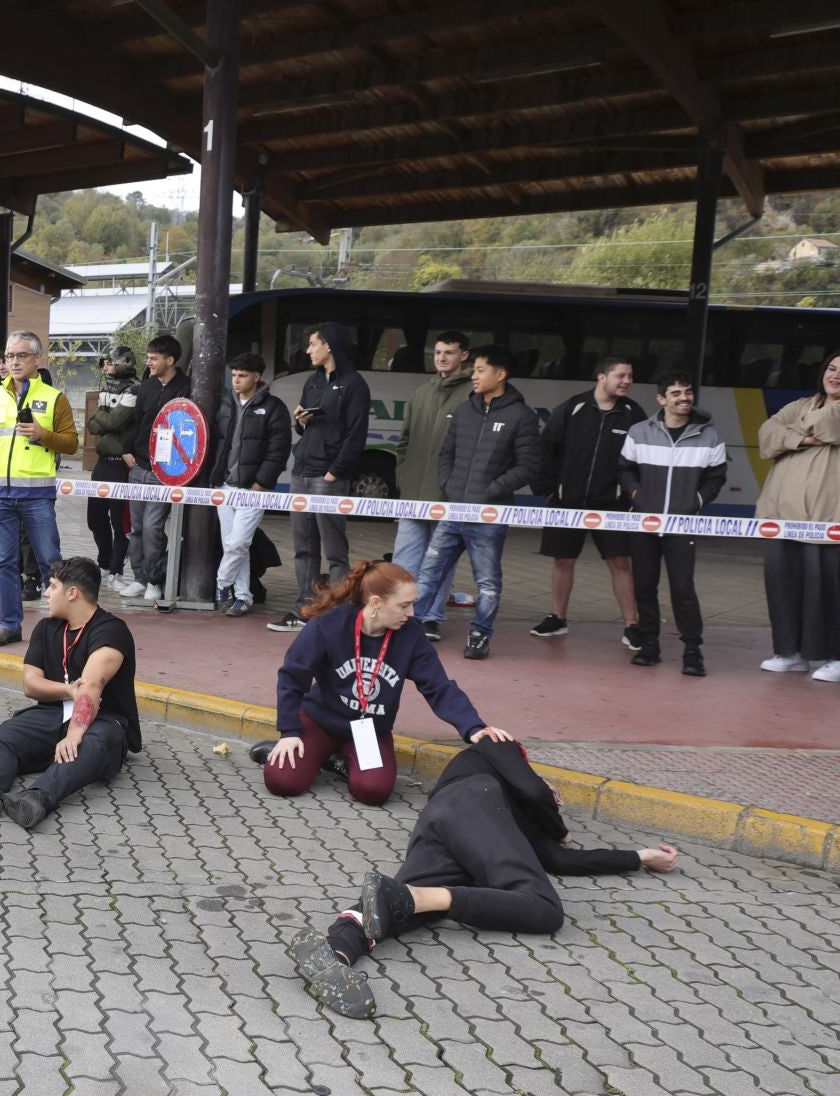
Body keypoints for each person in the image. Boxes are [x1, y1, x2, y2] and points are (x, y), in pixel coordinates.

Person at [289, 737, 681, 1020]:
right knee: (544, 909)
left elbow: (560, 861)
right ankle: (418, 898)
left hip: (443, 826)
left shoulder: (512, 818)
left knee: (392, 904)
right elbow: (531, 788)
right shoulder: (498, 746)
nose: (553, 796)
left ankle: (337, 948)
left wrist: (639, 857)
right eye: (553, 792)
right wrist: (555, 822)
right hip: (471, 804)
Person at [255, 559, 512, 806]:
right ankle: (301, 752)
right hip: (319, 721)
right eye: (404, 605)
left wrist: (473, 727)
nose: (411, 613)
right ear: (376, 603)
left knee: (373, 791)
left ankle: (338, 761)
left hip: (368, 729)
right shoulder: (329, 626)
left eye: (412, 604)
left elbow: (438, 686)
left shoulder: (410, 635)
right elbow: (292, 677)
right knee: (282, 781)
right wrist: (289, 732)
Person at [0, 556, 140, 829]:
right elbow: (31, 684)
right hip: (53, 712)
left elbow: (92, 687)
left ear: (72, 593)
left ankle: (36, 799)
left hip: (104, 720)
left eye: (52, 586)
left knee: (91, 745)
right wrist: (66, 690)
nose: (46, 593)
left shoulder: (111, 630)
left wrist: (73, 734)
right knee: (1, 738)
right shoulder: (47, 628)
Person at [412, 345, 541, 660]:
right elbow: (446, 454)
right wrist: (449, 484)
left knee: (488, 582)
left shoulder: (521, 416)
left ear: (501, 374)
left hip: (488, 515)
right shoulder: (465, 410)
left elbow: (528, 466)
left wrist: (491, 491)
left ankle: (480, 636)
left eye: (481, 369)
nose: (474, 375)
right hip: (454, 509)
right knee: (428, 574)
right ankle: (409, 632)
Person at [0, 331, 77, 645]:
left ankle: (62, 626)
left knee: (51, 562)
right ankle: (10, 625)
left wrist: (43, 434)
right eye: (10, 356)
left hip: (37, 494)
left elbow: (71, 443)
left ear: (38, 359)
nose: (14, 362)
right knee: (3, 564)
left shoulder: (55, 398)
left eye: (21, 356)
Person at [529, 356, 647, 646]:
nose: (627, 381)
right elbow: (545, 448)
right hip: (566, 502)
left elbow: (643, 460)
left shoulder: (634, 414)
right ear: (601, 377)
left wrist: (631, 495)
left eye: (630, 376)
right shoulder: (573, 407)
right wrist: (548, 489)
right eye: (621, 375)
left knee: (620, 562)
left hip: (613, 505)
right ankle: (557, 619)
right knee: (563, 560)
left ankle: (632, 625)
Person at [620, 371, 726, 677]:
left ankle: (693, 651)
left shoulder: (709, 434)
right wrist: (637, 494)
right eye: (677, 393)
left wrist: (695, 501)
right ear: (662, 399)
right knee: (644, 586)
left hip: (682, 525)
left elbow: (717, 476)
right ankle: (649, 646)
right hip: (644, 523)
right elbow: (625, 469)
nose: (684, 398)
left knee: (683, 589)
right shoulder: (640, 431)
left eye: (688, 392)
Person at [269, 323, 371, 633]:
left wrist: (333, 473)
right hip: (302, 470)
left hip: (328, 476)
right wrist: (301, 422)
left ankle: (337, 609)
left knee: (334, 549)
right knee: (303, 546)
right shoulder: (313, 382)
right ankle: (305, 606)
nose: (308, 350)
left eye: (314, 344)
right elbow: (305, 428)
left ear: (330, 346)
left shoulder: (354, 384)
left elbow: (356, 436)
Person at [756, 350, 840, 683]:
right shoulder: (801, 403)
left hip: (828, 519)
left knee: (830, 589)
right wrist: (804, 439)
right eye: (832, 368)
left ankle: (835, 655)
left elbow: (828, 422)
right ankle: (789, 653)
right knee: (783, 585)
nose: (835, 375)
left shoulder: (805, 410)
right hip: (783, 516)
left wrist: (791, 436)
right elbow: (766, 434)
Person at [208, 353, 290, 617]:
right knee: (234, 544)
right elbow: (218, 441)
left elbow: (278, 449)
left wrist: (262, 483)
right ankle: (242, 598)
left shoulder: (274, 407)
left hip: (253, 488)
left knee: (237, 543)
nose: (236, 380)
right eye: (233, 375)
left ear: (257, 377)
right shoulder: (225, 404)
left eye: (242, 375)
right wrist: (215, 477)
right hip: (225, 485)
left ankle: (221, 584)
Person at [391, 331, 473, 574]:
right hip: (412, 494)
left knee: (438, 564)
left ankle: (432, 613)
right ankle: (402, 611)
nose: (442, 358)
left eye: (449, 353)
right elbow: (404, 441)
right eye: (438, 352)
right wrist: (404, 479)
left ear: (464, 355)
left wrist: (455, 485)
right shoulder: (421, 393)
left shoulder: (472, 395)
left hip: (446, 495)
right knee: (403, 560)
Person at [118, 335, 191, 604]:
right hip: (138, 465)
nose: (148, 362)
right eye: (148, 357)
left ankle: (154, 580)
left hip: (167, 472)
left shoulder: (188, 388)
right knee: (136, 526)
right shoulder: (146, 388)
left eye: (154, 358)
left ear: (170, 360)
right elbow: (135, 422)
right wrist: (126, 450)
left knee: (152, 526)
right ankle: (139, 578)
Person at [84, 346, 141, 588]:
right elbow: (93, 426)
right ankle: (105, 562)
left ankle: (116, 571)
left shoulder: (134, 389)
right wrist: (105, 419)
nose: (105, 368)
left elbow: (112, 420)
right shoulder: (108, 388)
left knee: (120, 522)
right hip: (103, 462)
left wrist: (104, 417)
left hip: (122, 465)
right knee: (95, 518)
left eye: (109, 363)